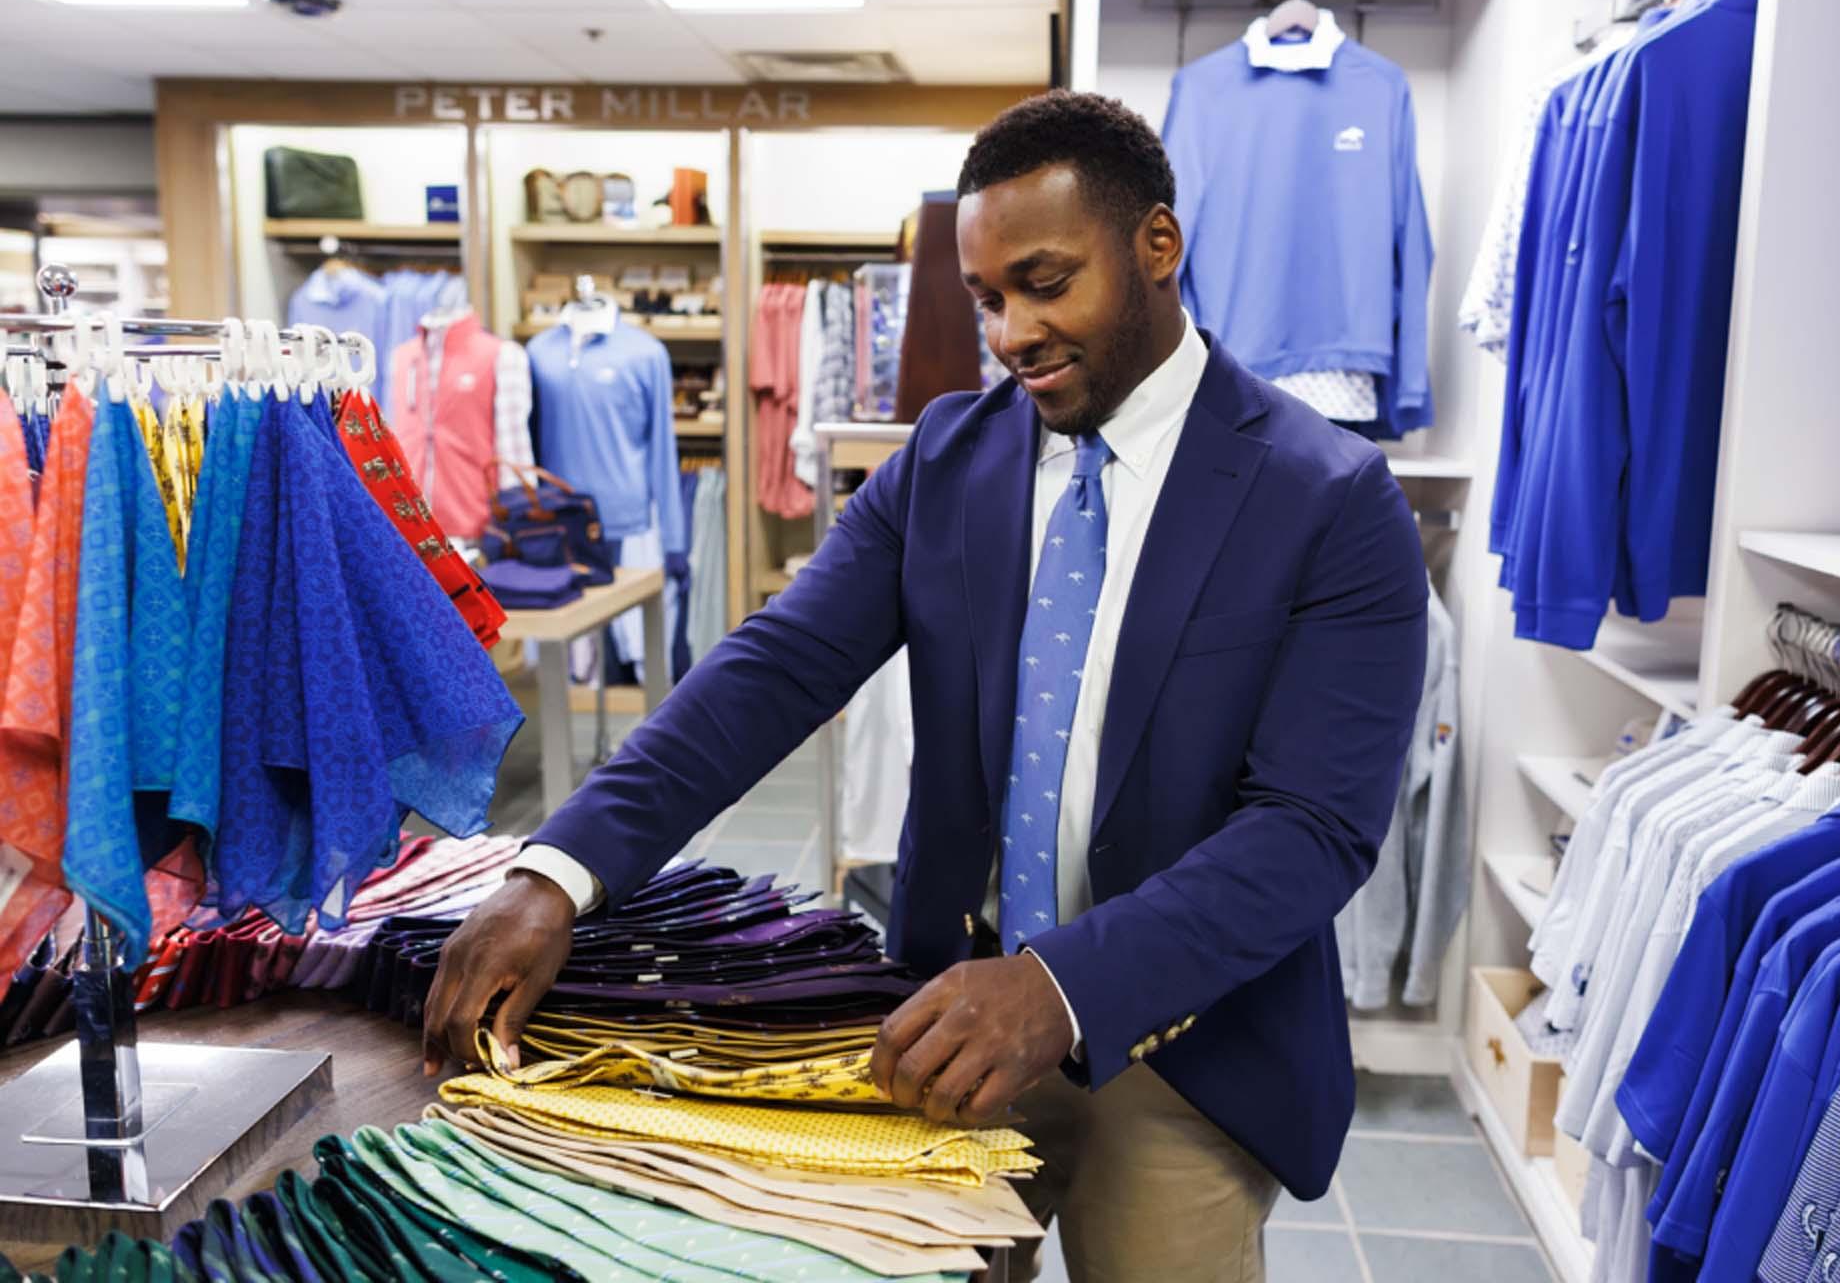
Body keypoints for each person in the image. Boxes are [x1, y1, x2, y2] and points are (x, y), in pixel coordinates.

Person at [422, 90, 1429, 1283]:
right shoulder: (946, 463)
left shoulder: (1328, 498)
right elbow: (771, 670)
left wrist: (1064, 987)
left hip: (1185, 1046)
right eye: (988, 298)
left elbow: (1311, 828)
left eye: (1046, 284)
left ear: (1158, 245)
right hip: (947, 1013)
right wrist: (556, 871)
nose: (1011, 334)